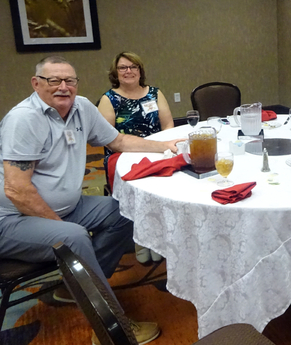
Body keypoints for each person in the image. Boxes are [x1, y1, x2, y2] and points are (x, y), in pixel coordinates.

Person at [0, 56, 181, 345]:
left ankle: (78, 286)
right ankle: (113, 328)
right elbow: (17, 190)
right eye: (53, 80)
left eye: (69, 80)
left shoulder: (82, 107)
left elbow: (118, 142)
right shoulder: (23, 120)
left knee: (124, 210)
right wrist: (60, 231)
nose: (63, 87)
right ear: (36, 84)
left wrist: (164, 147)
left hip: (69, 207)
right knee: (74, 238)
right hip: (12, 219)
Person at [98, 51, 174, 265]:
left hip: (157, 149)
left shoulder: (154, 93)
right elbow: (108, 138)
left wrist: (161, 147)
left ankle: (159, 237)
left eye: (133, 67)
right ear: (116, 72)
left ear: (140, 71)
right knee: (140, 190)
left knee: (167, 185)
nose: (128, 71)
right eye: (123, 67)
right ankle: (141, 240)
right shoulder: (108, 99)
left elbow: (168, 125)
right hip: (123, 155)